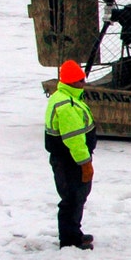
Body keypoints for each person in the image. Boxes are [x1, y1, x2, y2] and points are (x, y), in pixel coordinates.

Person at [44, 60, 97, 250]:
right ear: (72, 82)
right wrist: (85, 163)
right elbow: (74, 139)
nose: (84, 83)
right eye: (80, 80)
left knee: (74, 198)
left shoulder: (63, 96)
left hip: (66, 159)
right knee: (73, 198)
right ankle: (70, 240)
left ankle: (74, 233)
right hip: (71, 160)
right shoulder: (67, 105)